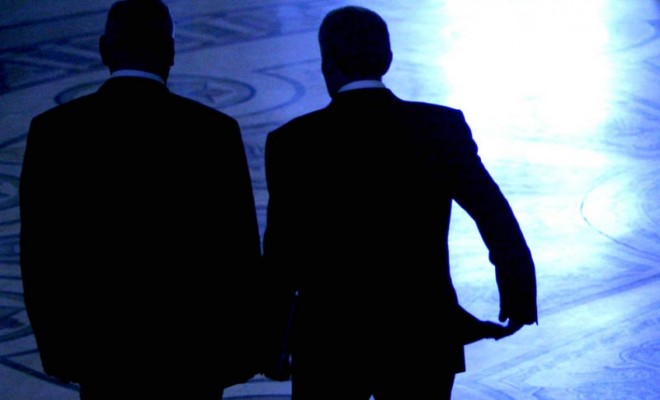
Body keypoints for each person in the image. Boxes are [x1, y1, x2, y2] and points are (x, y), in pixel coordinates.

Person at [261, 5, 537, 400]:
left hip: (329, 339)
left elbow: (282, 255)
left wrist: (272, 340)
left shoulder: (293, 142)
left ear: (326, 62)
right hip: (422, 332)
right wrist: (519, 293)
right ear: (388, 59)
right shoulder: (439, 128)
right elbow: (493, 213)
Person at [19, 0, 263, 398]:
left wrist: (56, 348)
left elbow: (40, 254)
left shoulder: (55, 132)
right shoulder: (212, 131)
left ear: (104, 49)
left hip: (100, 352)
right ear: (171, 51)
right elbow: (238, 252)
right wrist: (242, 352)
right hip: (193, 353)